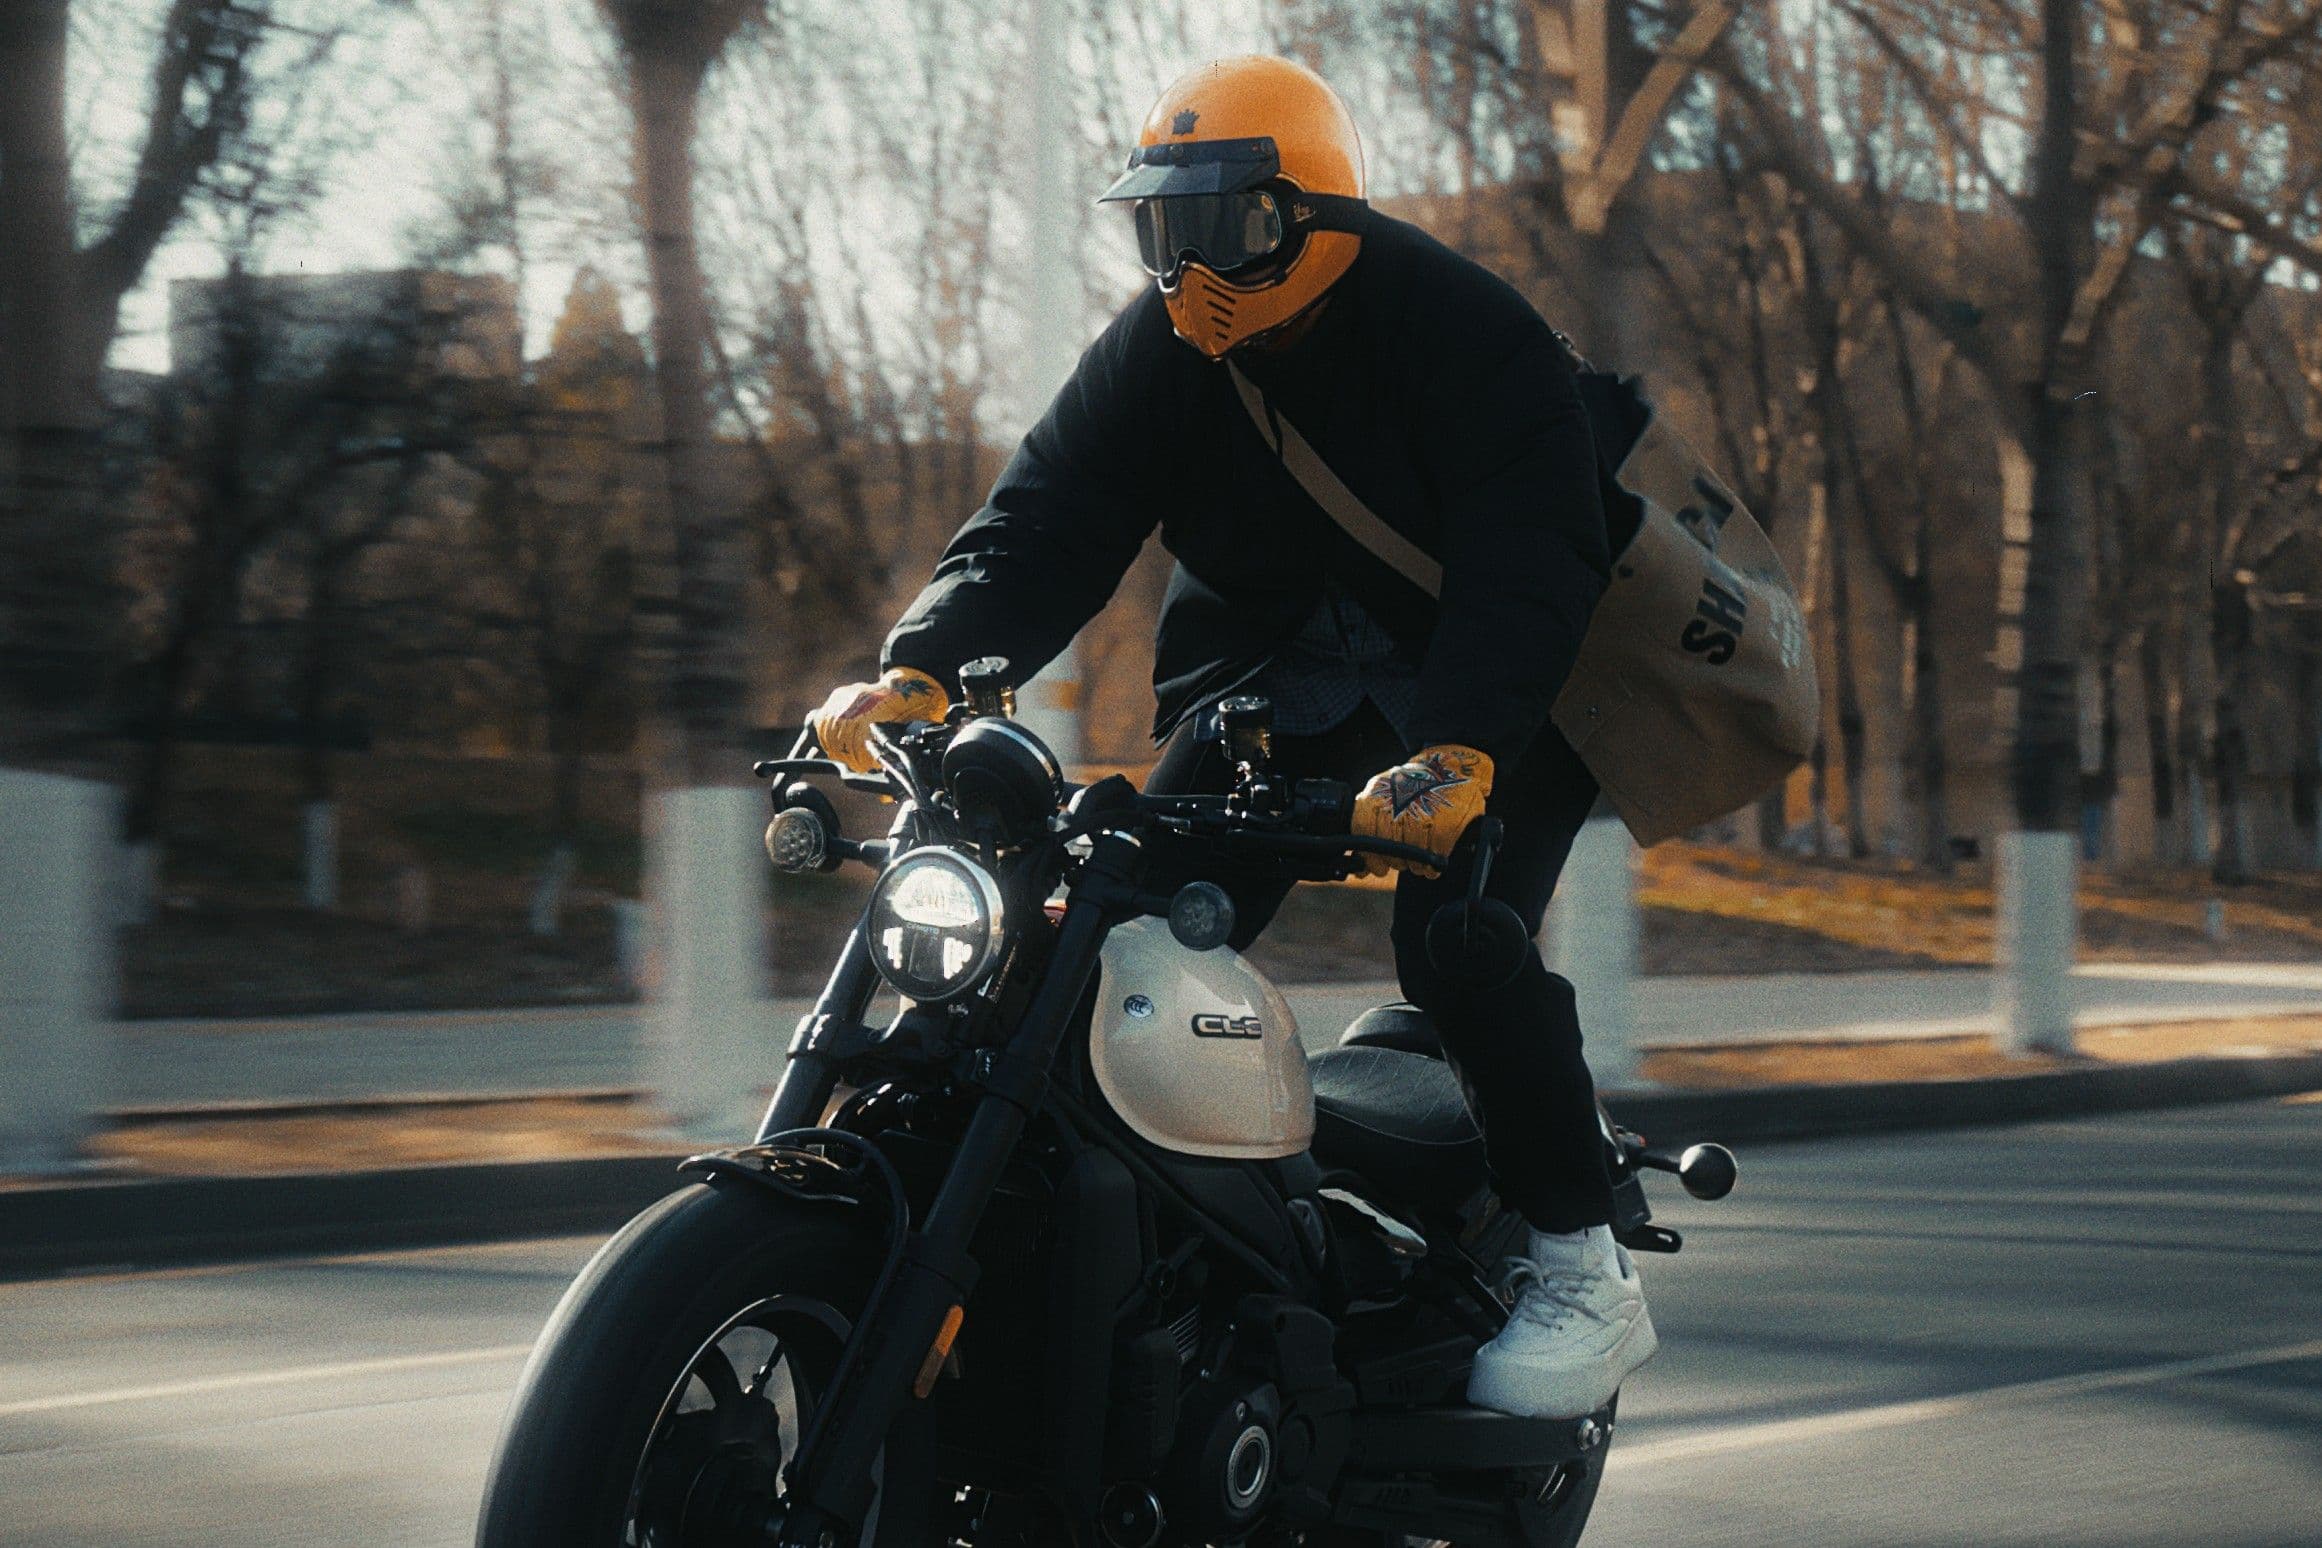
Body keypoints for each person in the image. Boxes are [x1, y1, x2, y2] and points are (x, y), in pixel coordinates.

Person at [808, 54, 1652, 1420]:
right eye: (1163, 231)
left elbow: (1530, 559)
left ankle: (1578, 1264)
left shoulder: (1467, 331)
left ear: (1316, 217)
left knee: (1453, 940)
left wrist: (1462, 745)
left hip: (1488, 693)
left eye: (1227, 230)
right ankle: (1127, 1245)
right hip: (1278, 687)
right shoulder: (1165, 348)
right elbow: (1048, 515)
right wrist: (923, 668)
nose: (1190, 270)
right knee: (1111, 931)